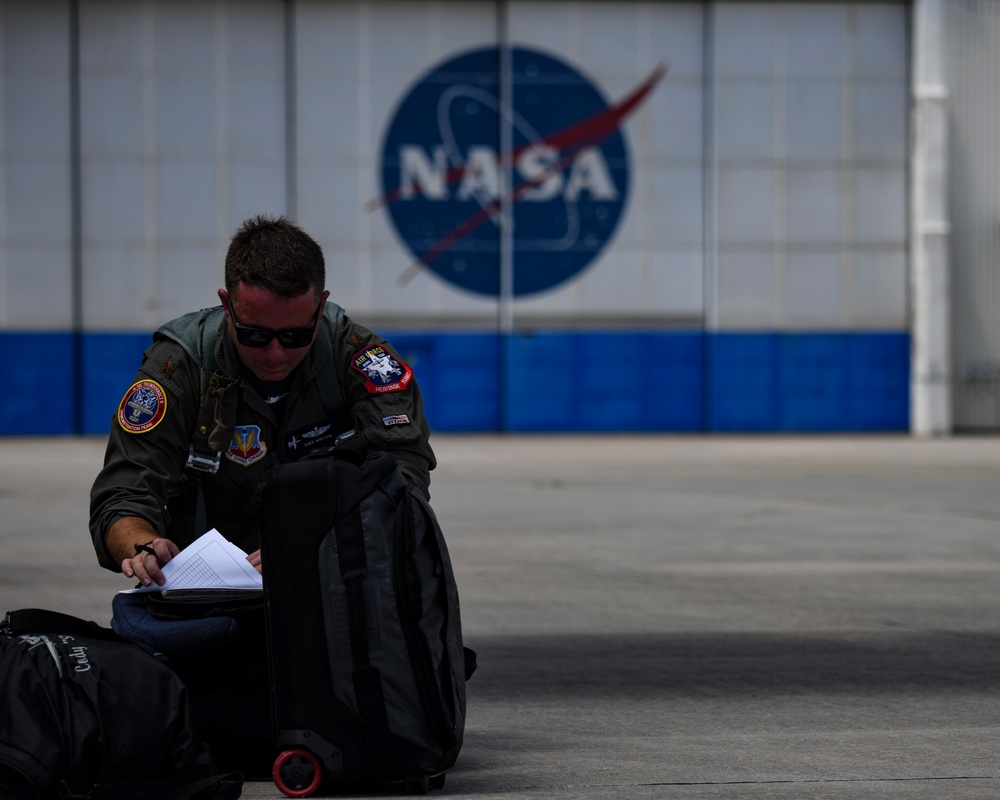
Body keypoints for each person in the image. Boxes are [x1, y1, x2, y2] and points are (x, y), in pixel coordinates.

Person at [89, 213, 436, 774]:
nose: (274, 354)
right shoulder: (180, 367)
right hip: (212, 591)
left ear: (320, 308)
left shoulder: (363, 363)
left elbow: (402, 484)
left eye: (294, 336)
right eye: (254, 334)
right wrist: (140, 543)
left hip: (330, 579)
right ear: (226, 304)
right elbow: (126, 489)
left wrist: (312, 553)